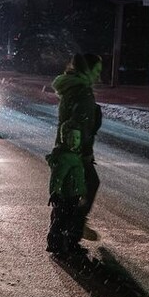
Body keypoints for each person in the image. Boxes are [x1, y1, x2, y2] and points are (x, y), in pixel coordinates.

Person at [46, 53, 104, 262]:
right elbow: (79, 124)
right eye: (96, 71)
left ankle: (63, 236)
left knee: (68, 193)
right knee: (78, 191)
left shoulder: (72, 88)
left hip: (66, 148)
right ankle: (70, 235)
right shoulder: (81, 92)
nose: (98, 76)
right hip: (75, 152)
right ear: (87, 70)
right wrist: (83, 153)